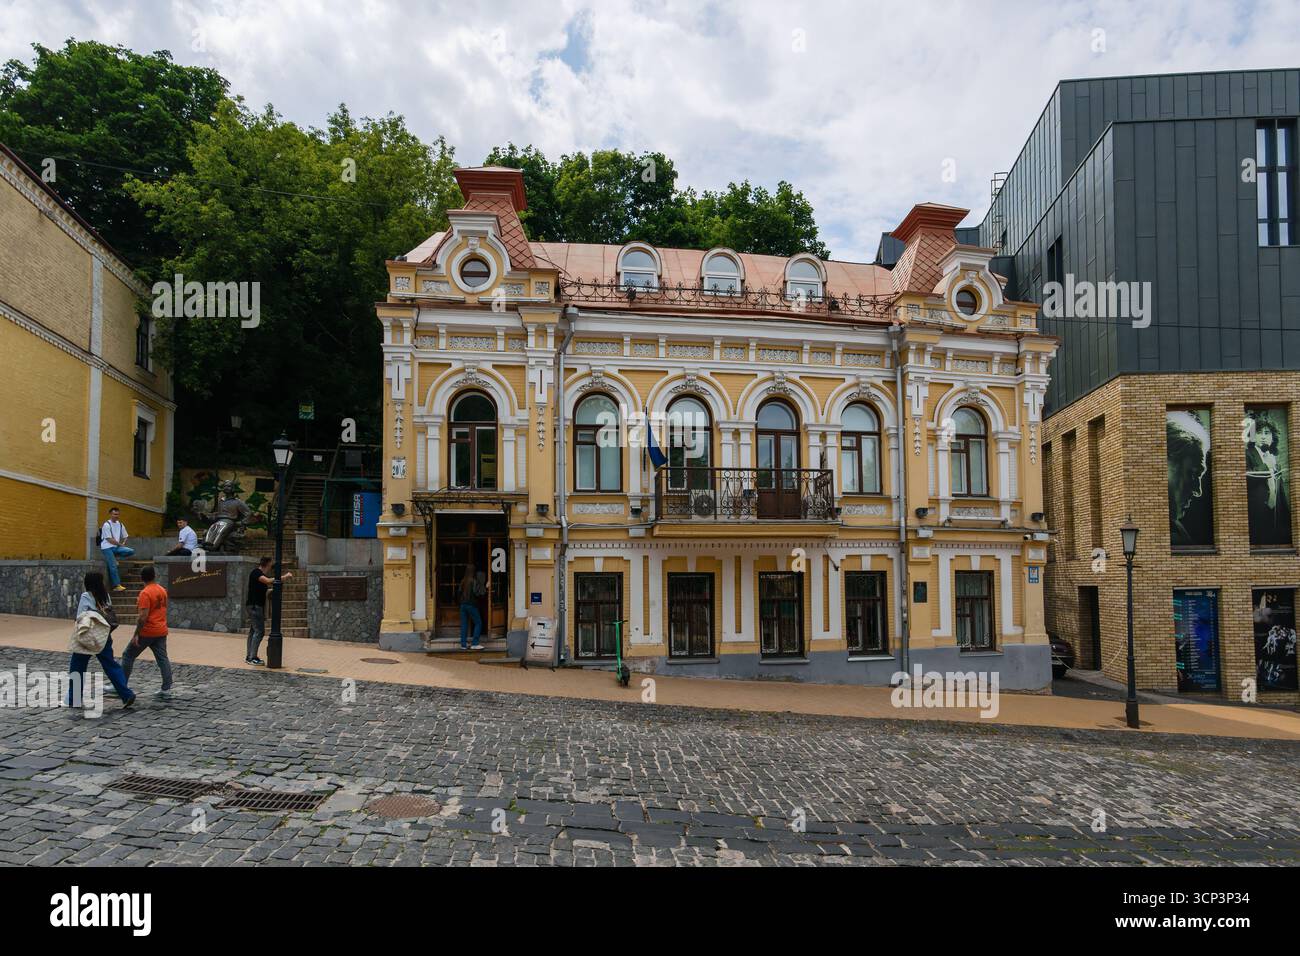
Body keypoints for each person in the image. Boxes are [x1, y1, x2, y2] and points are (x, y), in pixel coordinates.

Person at [67, 571, 135, 709]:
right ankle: (126, 694)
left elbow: (80, 616)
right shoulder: (106, 596)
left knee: (77, 666)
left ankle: (74, 699)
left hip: (87, 636)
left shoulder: (86, 596)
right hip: (103, 636)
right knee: (111, 665)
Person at [122, 565, 173, 694]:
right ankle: (166, 688)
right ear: (154, 576)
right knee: (163, 659)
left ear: (141, 578)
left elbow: (142, 617)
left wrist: (136, 635)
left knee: (128, 655)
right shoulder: (162, 590)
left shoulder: (145, 593)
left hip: (147, 631)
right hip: (161, 630)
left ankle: (120, 685)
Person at [245, 556, 293, 665]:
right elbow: (267, 581)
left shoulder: (259, 574)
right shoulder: (256, 572)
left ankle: (249, 656)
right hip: (254, 606)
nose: (271, 567)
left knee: (253, 631)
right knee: (259, 632)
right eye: (271, 565)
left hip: (255, 606)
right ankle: (252, 657)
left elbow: (263, 589)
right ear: (266, 564)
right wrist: (285, 577)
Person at [99, 507, 134, 591]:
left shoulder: (120, 524)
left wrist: (124, 543)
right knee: (113, 566)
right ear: (110, 514)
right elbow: (109, 539)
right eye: (114, 514)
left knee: (130, 551)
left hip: (115, 547)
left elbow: (126, 536)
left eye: (117, 514)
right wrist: (120, 544)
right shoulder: (106, 525)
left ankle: (114, 558)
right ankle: (116, 585)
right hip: (107, 547)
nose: (116, 516)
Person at [459, 562, 484, 650]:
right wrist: (485, 587)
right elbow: (477, 593)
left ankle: (463, 645)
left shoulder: (463, 581)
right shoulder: (473, 581)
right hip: (471, 605)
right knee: (478, 623)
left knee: (464, 624)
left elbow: (458, 593)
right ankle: (475, 643)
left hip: (463, 605)